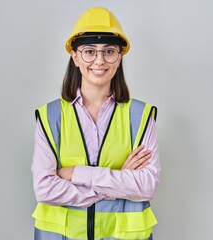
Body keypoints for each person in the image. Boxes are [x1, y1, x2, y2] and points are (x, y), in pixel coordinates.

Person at [31, 7, 161, 240]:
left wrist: (76, 173)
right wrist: (117, 181)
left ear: (119, 57)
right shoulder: (50, 117)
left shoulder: (140, 116)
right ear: (75, 56)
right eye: (89, 51)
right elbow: (44, 189)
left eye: (109, 51)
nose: (99, 60)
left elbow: (146, 185)